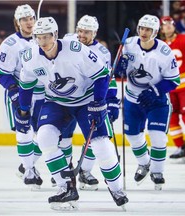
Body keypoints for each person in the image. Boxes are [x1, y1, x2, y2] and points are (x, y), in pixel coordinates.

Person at [15, 16, 128, 210]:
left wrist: (99, 103)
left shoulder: (76, 50)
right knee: (44, 138)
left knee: (100, 144)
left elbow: (102, 75)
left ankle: (116, 188)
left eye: (46, 37)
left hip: (86, 101)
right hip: (56, 102)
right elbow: (26, 86)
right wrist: (23, 110)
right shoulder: (30, 56)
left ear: (56, 35)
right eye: (38, 37)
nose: (43, 42)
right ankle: (65, 187)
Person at [116, 14, 180, 190]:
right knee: (133, 136)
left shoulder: (164, 52)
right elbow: (117, 68)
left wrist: (155, 91)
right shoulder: (128, 44)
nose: (144, 32)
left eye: (148, 29)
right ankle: (144, 163)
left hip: (156, 101)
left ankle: (157, 171)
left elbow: (174, 80)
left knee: (157, 136)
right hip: (132, 99)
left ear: (155, 32)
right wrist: (119, 67)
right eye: (142, 28)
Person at [63, 15, 120, 191]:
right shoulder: (67, 41)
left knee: (95, 137)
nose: (81, 35)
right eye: (80, 30)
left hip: (89, 99)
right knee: (62, 136)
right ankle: (62, 172)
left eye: (86, 32)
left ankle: (84, 172)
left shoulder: (102, 52)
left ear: (94, 33)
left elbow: (107, 79)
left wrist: (110, 101)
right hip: (65, 97)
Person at [0, 4, 43, 189]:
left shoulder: (43, 38)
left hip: (42, 93)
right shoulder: (10, 45)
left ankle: (26, 165)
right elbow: (3, 74)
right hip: (21, 93)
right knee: (25, 132)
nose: (29, 22)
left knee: (47, 132)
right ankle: (30, 171)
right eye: (24, 19)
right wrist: (15, 92)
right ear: (17, 22)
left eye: (31, 18)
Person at [160, 16, 185, 159]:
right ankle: (180, 147)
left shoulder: (183, 39)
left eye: (170, 24)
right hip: (170, 89)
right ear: (162, 29)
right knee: (172, 118)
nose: (168, 26)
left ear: (174, 26)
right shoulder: (160, 45)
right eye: (165, 24)